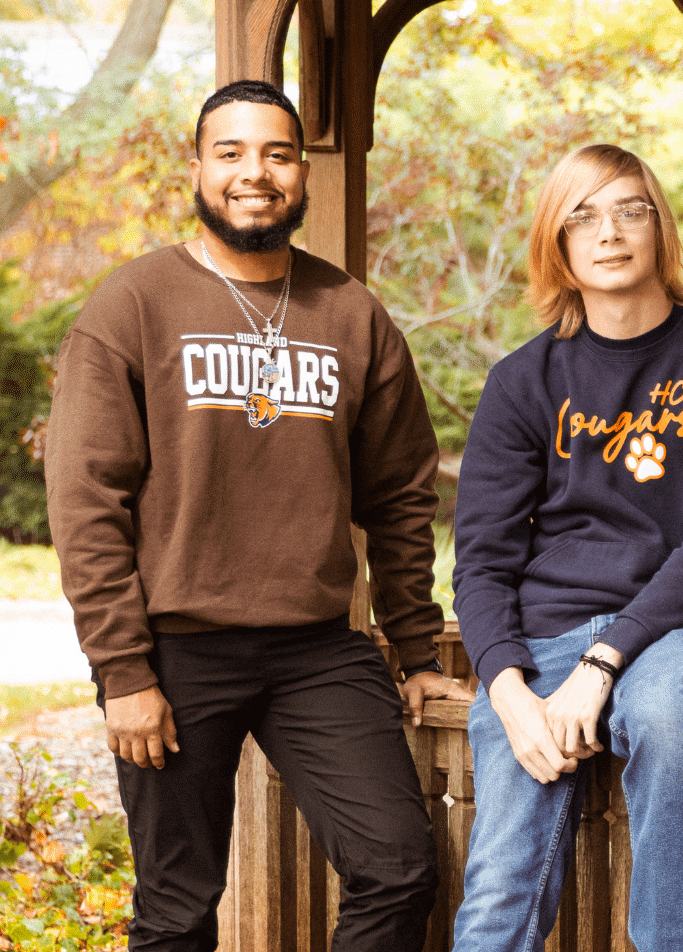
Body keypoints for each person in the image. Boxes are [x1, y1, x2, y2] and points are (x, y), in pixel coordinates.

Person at [43, 79, 468, 951]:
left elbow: (399, 493)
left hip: (316, 648)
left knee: (397, 868)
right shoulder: (133, 305)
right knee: (177, 910)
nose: (255, 173)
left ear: (302, 172)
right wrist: (124, 672)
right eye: (230, 152)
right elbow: (86, 499)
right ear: (197, 168)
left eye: (277, 154)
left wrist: (418, 648)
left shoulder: (350, 312)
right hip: (174, 650)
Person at [447, 144, 683, 950]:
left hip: (672, 625)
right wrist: (508, 692)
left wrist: (604, 664)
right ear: (558, 243)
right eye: (582, 217)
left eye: (629, 210)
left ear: (659, 226)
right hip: (543, 638)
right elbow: (483, 562)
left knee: (663, 721)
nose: (608, 232)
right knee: (501, 880)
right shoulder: (523, 381)